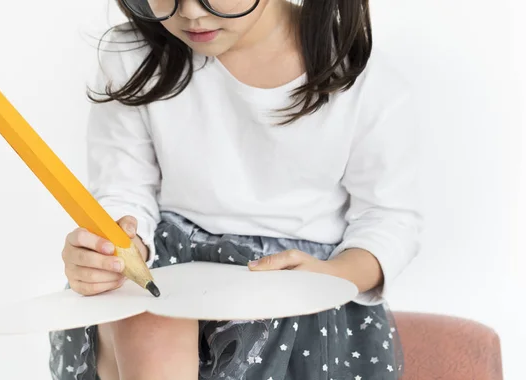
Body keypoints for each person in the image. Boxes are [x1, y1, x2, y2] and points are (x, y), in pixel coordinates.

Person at [49, 0, 422, 379]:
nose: (191, 12)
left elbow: (388, 219)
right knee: (148, 318)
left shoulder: (364, 78)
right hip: (171, 269)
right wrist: (116, 250)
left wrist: (336, 274)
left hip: (296, 290)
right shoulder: (133, 55)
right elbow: (124, 190)